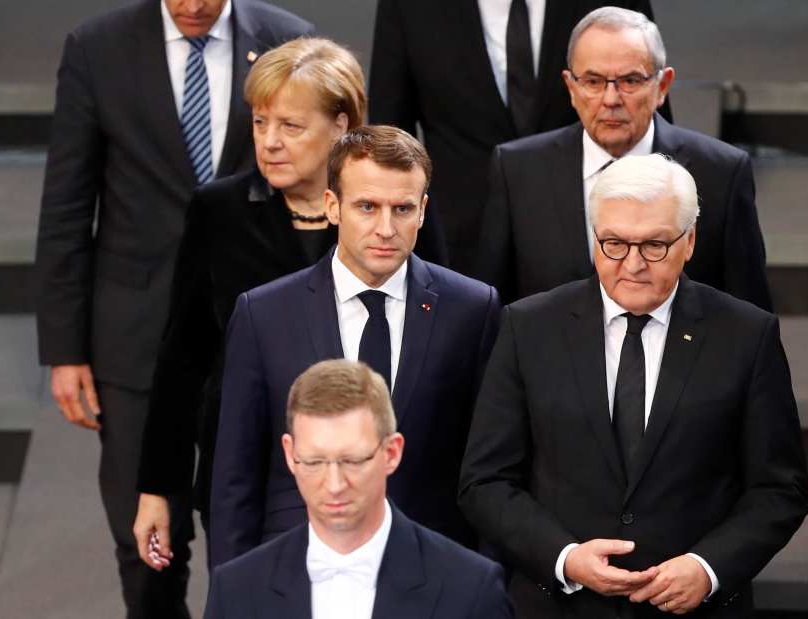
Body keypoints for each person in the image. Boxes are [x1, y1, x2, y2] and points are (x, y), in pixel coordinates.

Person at [34, 0, 312, 615]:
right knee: (149, 541)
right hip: (133, 332)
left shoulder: (288, 39)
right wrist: (64, 346)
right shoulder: (97, 48)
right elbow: (66, 201)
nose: (192, 5)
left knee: (252, 538)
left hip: (250, 332)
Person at [133, 36, 449, 574]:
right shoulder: (219, 212)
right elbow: (184, 357)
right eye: (260, 123)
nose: (270, 142)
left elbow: (442, 326)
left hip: (387, 481)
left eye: (291, 126)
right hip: (254, 482)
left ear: (341, 126)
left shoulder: (390, 213)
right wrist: (157, 489)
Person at [459, 154, 808, 618]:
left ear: (689, 242)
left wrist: (707, 568)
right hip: (559, 607)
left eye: (654, 246)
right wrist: (564, 559)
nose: (633, 264)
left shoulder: (747, 335)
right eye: (614, 244)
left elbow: (780, 489)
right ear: (594, 239)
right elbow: (485, 482)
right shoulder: (529, 328)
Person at [207, 125, 502, 568]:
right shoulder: (263, 314)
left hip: (434, 571)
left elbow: (490, 469)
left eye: (402, 208)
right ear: (333, 206)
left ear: (422, 211)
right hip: (297, 565)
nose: (386, 228)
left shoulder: (473, 309)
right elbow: (235, 477)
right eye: (367, 206)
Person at [477, 7, 773, 312]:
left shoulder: (720, 173)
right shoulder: (517, 170)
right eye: (593, 81)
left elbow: (749, 316)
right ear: (571, 88)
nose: (611, 99)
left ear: (662, 86)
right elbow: (494, 310)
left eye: (630, 81)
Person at [369, 0, 666, 276]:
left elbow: (649, 109)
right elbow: (390, 139)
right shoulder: (408, 7)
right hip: (457, 249)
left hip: (605, 241)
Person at [204, 360, 513, 619]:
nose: (335, 485)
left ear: (391, 452)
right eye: (314, 462)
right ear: (290, 454)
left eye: (353, 461)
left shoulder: (470, 589)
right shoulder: (235, 590)